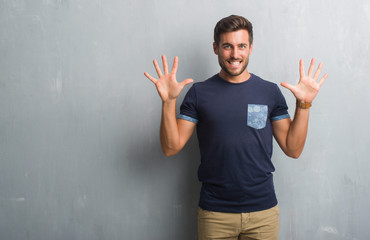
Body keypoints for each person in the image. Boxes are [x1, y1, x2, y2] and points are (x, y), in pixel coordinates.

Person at [144, 15, 327, 240]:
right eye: (227, 46)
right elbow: (171, 147)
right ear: (216, 48)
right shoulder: (199, 93)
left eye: (241, 46)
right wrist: (168, 102)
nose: (235, 54)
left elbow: (293, 149)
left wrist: (304, 104)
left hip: (263, 213)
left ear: (250, 48)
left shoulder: (269, 92)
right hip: (215, 213)